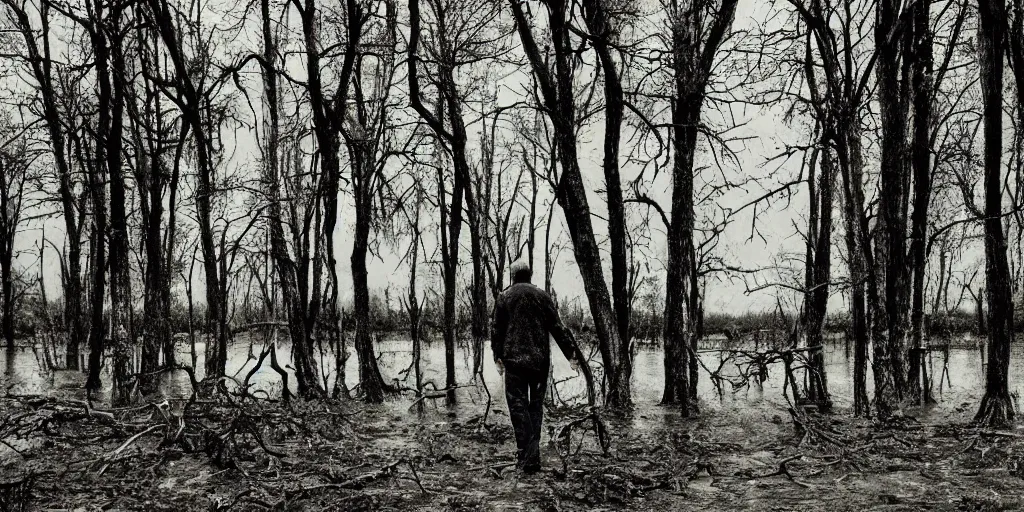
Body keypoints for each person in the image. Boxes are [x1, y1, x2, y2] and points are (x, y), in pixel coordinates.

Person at [491, 260, 579, 473]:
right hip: (539, 364)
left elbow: (496, 329)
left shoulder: (505, 297)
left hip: (514, 364)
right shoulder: (543, 296)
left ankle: (527, 458)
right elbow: (558, 328)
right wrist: (571, 354)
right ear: (530, 275)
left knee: (518, 409)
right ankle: (531, 457)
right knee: (535, 409)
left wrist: (497, 356)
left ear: (513, 276)